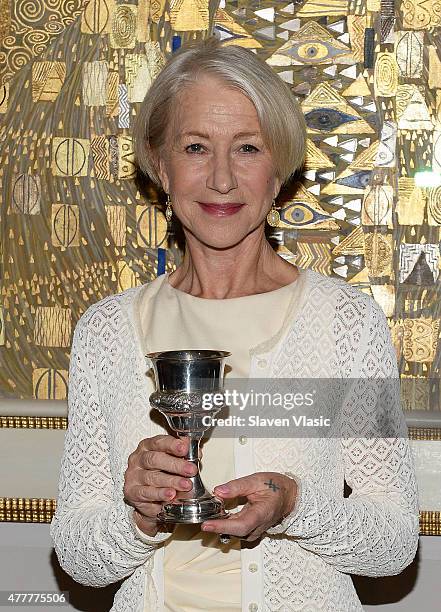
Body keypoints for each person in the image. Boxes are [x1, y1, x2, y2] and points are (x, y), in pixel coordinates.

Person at [50, 38, 419, 612]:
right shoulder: (107, 331)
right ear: (160, 166)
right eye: (196, 147)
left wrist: (297, 506)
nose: (221, 179)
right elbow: (78, 557)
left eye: (247, 148)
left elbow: (393, 545)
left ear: (279, 172)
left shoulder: (348, 322)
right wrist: (140, 517)